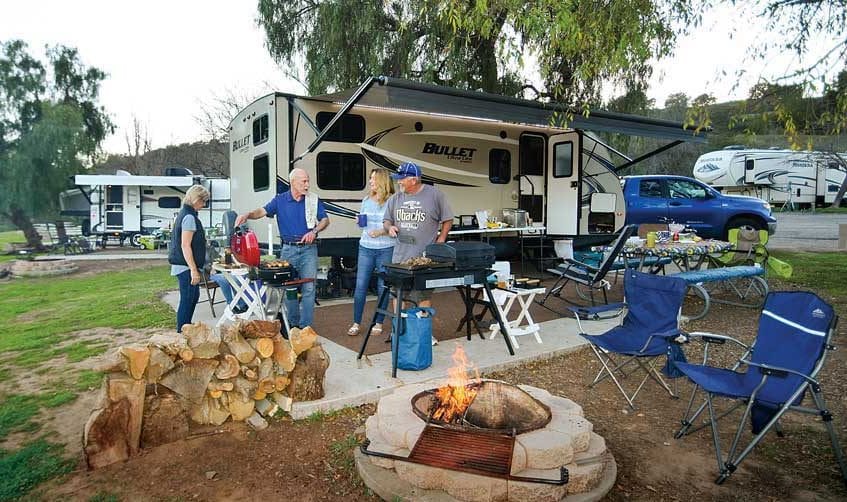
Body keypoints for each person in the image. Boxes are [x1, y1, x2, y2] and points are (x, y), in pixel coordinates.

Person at [235, 168, 329, 329]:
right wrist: (247, 215)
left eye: (308, 181)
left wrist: (314, 231)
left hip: (309, 250)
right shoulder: (280, 200)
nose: (307, 185)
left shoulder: (313, 199)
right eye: (303, 181)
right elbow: (261, 211)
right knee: (289, 288)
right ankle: (293, 325)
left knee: (309, 288)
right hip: (288, 249)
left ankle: (306, 327)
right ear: (293, 182)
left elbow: (325, 220)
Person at [383, 162, 453, 344]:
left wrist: (441, 240)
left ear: (413, 179)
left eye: (401, 179)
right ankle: (399, 331)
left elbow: (447, 219)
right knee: (398, 295)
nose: (398, 182)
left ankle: (423, 334)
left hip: (423, 259)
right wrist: (389, 228)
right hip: (399, 258)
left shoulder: (435, 195)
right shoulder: (395, 199)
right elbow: (386, 220)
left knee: (422, 295)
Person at [347, 169, 396, 336]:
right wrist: (359, 222)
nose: (370, 182)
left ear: (382, 181)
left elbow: (395, 225)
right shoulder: (366, 200)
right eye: (370, 179)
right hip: (365, 248)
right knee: (360, 286)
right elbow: (363, 224)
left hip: (386, 249)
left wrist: (381, 231)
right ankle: (356, 322)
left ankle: (379, 322)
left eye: (373, 179)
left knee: (383, 286)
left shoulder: (392, 201)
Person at [168, 185, 211, 333]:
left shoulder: (185, 214)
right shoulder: (189, 218)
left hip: (184, 265)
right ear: (196, 199)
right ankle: (181, 332)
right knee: (187, 299)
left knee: (193, 297)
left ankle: (186, 328)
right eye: (203, 201)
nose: (204, 205)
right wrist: (193, 270)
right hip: (185, 267)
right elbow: (186, 245)